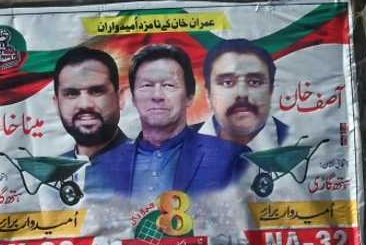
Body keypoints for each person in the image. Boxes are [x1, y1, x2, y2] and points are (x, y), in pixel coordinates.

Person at [89, 43, 247, 200]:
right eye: (146, 85)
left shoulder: (231, 158)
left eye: (168, 85)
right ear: (134, 98)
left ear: (189, 96)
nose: (157, 95)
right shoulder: (102, 164)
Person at [198, 39, 289, 149]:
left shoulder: (294, 139)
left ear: (271, 91)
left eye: (254, 82)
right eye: (227, 83)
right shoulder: (182, 144)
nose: (242, 93)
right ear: (208, 95)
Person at [52, 46, 129, 160]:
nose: (85, 105)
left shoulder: (150, 167)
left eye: (96, 91)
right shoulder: (53, 173)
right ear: (56, 104)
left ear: (120, 98)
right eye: (71, 94)